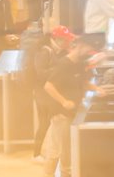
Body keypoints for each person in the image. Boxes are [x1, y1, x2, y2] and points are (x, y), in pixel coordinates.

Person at [41, 35, 100, 177]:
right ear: (80, 46)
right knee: (57, 151)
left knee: (66, 151)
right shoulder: (64, 64)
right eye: (88, 49)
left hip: (73, 114)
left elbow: (83, 83)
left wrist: (97, 89)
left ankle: (64, 173)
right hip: (61, 114)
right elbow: (48, 86)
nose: (88, 52)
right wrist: (63, 101)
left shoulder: (79, 63)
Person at [31, 25, 75, 160]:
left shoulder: (56, 51)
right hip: (42, 94)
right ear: (58, 39)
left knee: (48, 122)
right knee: (44, 122)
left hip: (48, 92)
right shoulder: (45, 52)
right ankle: (36, 154)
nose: (68, 43)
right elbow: (41, 73)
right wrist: (59, 71)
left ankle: (43, 152)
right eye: (66, 40)